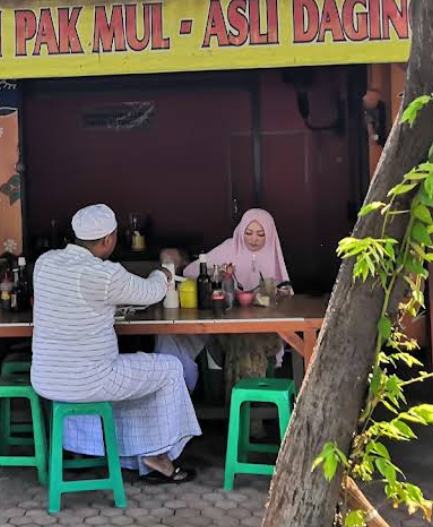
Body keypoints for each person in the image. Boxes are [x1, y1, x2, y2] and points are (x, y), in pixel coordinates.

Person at [31, 204, 201, 483]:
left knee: (138, 372)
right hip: (91, 379)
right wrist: (164, 274)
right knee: (169, 368)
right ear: (108, 240)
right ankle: (158, 455)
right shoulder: (105, 274)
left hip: (47, 379)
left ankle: (99, 449)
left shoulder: (45, 263)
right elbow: (149, 293)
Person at [156, 208, 291, 395]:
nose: (253, 239)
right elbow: (191, 271)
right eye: (248, 233)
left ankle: (242, 411)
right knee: (242, 343)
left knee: (248, 343)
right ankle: (246, 412)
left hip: (264, 330)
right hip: (230, 329)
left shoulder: (272, 254)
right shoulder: (231, 247)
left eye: (261, 234)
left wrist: (275, 293)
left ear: (270, 235)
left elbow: (287, 293)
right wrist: (218, 271)